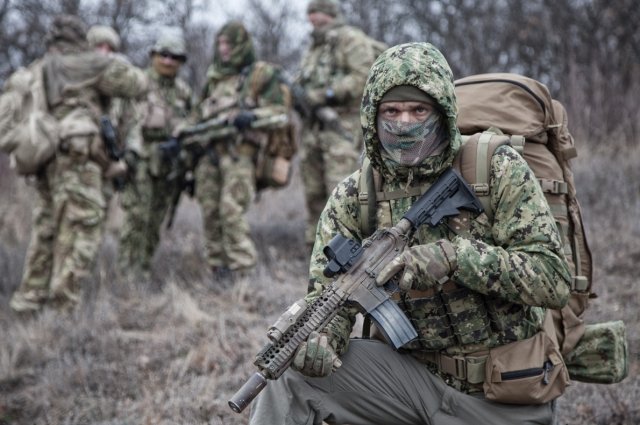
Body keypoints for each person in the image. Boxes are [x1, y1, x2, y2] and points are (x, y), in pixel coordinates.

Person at [248, 42, 572, 424]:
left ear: (443, 113)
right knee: (290, 376)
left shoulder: (496, 170)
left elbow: (553, 279)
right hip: (407, 382)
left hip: (500, 393)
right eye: (392, 111)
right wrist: (322, 340)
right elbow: (330, 299)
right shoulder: (355, 197)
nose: (404, 123)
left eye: (419, 110)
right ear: (372, 116)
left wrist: (454, 259)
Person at [9, 15, 148, 313]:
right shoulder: (86, 63)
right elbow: (137, 84)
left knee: (46, 229)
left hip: (45, 157)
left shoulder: (39, 67)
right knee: (83, 226)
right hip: (76, 158)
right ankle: (62, 306)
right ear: (81, 40)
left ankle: (28, 301)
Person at [190, 21, 290, 277]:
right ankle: (218, 270)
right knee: (210, 213)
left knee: (231, 212)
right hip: (209, 156)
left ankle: (244, 273)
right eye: (220, 43)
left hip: (240, 155)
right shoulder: (215, 77)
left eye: (229, 44)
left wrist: (251, 117)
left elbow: (280, 114)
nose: (224, 49)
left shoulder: (258, 74)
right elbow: (197, 116)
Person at [296, 0, 384, 247]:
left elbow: (361, 77)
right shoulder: (314, 47)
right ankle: (314, 253)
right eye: (311, 13)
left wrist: (325, 94)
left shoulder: (350, 39)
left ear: (331, 14)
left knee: (341, 194)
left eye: (320, 13)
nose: (314, 18)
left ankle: (345, 253)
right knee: (313, 196)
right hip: (312, 131)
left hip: (341, 129)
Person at [117, 32, 192, 278]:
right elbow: (128, 122)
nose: (169, 61)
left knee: (155, 221)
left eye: (175, 57)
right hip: (141, 162)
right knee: (136, 218)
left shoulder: (183, 91)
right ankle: (125, 274)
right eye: (164, 55)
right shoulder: (139, 83)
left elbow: (190, 123)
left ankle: (143, 270)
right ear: (154, 56)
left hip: (169, 166)